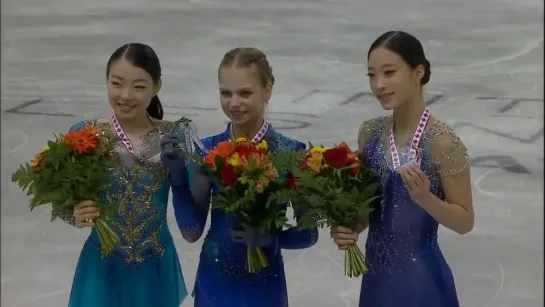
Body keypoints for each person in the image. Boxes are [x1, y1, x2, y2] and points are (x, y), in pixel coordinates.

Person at [161, 47, 319, 307]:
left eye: (245, 93)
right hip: (215, 281)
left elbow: (309, 233)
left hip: (265, 285)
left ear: (267, 90)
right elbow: (191, 232)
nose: (234, 103)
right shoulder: (208, 150)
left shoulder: (292, 153)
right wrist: (177, 179)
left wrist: (270, 238)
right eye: (226, 93)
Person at [332, 31, 474, 307]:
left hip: (422, 282)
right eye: (372, 75)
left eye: (389, 72)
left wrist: (425, 198)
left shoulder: (443, 143)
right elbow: (371, 208)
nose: (379, 84)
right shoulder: (370, 133)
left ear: (417, 71)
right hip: (376, 280)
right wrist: (351, 226)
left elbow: (465, 222)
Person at [57, 43, 190, 307]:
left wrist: (179, 175)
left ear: (157, 86)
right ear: (106, 81)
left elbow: (188, 206)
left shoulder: (171, 138)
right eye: (117, 84)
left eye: (139, 86)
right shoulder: (85, 134)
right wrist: (73, 214)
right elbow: (61, 198)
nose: (126, 95)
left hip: (154, 266)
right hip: (102, 264)